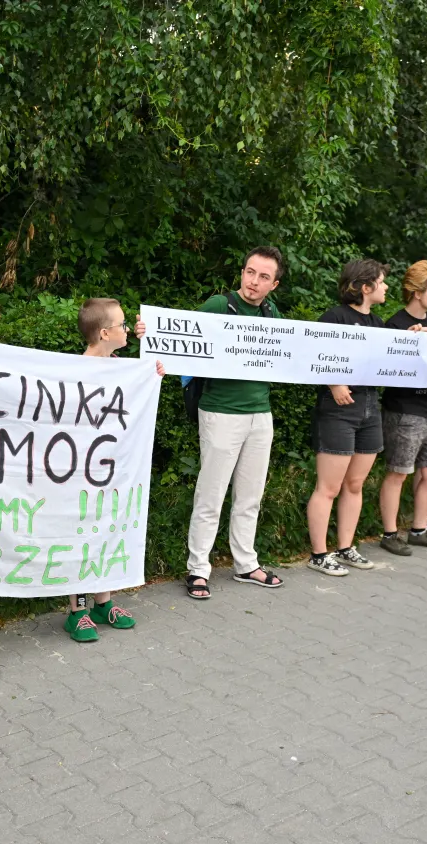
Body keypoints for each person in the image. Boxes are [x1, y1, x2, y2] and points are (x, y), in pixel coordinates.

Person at [184, 247, 287, 598]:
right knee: (211, 495)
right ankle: (198, 569)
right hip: (220, 412)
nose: (253, 282)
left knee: (250, 496)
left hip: (260, 413)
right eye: (249, 272)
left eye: (262, 277)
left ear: (274, 284)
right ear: (242, 272)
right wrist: (148, 333)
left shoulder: (273, 314)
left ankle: (246, 563)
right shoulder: (218, 305)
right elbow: (180, 339)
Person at [63, 299, 164, 640]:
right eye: (122, 325)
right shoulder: (78, 369)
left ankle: (104, 600)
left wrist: (151, 374)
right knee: (81, 535)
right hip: (80, 472)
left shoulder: (121, 366)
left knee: (107, 530)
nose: (128, 330)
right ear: (104, 333)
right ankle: (77, 608)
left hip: (112, 470)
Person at [304, 259, 387, 577]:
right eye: (381, 282)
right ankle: (318, 554)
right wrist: (335, 383)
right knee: (329, 486)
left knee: (355, 484)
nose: (386, 287)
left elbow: (392, 356)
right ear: (365, 287)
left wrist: (415, 336)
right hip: (337, 412)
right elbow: (312, 353)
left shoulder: (378, 323)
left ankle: (345, 547)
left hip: (369, 407)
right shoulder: (335, 317)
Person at [376, 260, 427, 556]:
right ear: (418, 293)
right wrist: (408, 344)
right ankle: (390, 533)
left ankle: (419, 529)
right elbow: (385, 370)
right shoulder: (394, 324)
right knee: (398, 472)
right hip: (404, 410)